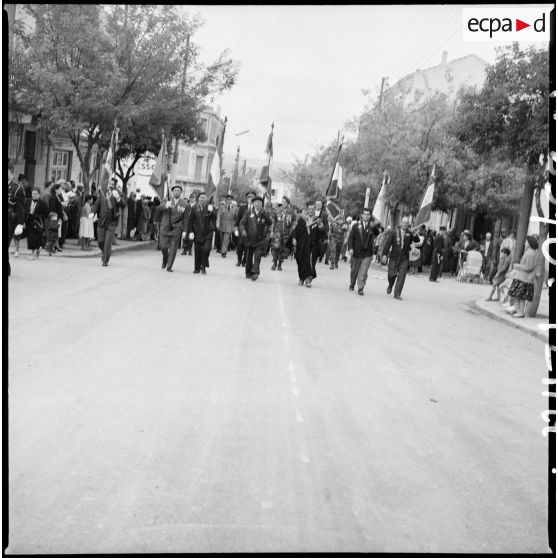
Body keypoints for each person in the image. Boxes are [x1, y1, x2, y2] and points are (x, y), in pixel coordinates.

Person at [381, 217, 421, 300]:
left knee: (402, 276)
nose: (405, 224)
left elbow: (417, 240)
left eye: (407, 223)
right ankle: (390, 284)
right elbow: (387, 244)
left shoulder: (409, 233)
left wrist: (414, 234)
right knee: (391, 274)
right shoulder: (394, 232)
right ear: (401, 222)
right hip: (394, 257)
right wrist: (384, 255)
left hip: (404, 258)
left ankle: (397, 293)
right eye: (404, 222)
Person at [89, 178, 126, 266]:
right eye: (110, 183)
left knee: (107, 242)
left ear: (115, 185)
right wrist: (92, 212)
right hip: (102, 221)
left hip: (112, 222)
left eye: (113, 184)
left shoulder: (119, 194)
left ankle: (105, 260)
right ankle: (106, 252)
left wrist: (118, 198)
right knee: (100, 241)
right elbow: (97, 204)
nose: (111, 185)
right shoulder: (102, 193)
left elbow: (123, 205)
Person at [505, 235, 540, 318]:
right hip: (523, 277)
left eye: (526, 242)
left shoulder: (531, 253)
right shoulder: (531, 252)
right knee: (519, 295)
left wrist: (517, 266)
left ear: (530, 243)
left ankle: (521, 312)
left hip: (525, 278)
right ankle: (519, 310)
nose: (525, 243)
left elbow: (528, 267)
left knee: (521, 296)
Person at [347, 207, 380, 295]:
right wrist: (350, 248)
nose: (366, 216)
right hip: (356, 252)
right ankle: (352, 283)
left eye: (368, 215)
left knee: (363, 271)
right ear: (362, 215)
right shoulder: (355, 226)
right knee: (354, 271)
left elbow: (377, 233)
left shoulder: (372, 226)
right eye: (364, 214)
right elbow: (351, 238)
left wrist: (375, 226)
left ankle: (361, 287)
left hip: (367, 253)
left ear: (370, 216)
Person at [239, 195, 273, 281]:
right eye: (256, 202)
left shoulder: (264, 213)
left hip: (260, 239)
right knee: (248, 257)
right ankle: (248, 272)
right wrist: (243, 230)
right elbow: (242, 223)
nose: (258, 204)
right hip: (249, 239)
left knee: (257, 256)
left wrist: (265, 215)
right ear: (253, 203)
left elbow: (269, 222)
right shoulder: (248, 213)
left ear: (262, 204)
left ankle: (254, 272)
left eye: (259, 203)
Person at [159, 185, 190, 272]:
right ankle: (165, 259)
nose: (177, 192)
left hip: (176, 228)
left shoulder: (185, 204)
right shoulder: (166, 200)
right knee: (163, 247)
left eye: (179, 191)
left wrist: (185, 231)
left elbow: (186, 218)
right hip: (165, 227)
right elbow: (159, 208)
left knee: (173, 248)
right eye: (175, 190)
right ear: (172, 192)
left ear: (181, 193)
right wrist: (165, 205)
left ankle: (169, 266)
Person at [187, 192, 217, 274]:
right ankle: (197, 268)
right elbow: (190, 220)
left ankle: (203, 266)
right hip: (198, 232)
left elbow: (215, 217)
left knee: (206, 249)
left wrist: (212, 211)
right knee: (197, 251)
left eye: (204, 197)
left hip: (208, 232)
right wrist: (191, 232)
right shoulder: (194, 208)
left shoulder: (210, 207)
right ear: (198, 198)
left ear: (206, 199)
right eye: (201, 197)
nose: (202, 199)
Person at [7, 163, 26, 274]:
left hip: (9, 222)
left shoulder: (16, 189)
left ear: (10, 171)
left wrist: (20, 224)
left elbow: (21, 208)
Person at [289, 207, 314, 287]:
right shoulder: (301, 221)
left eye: (312, 209)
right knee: (300, 261)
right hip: (300, 245)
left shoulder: (316, 220)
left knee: (308, 262)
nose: (310, 211)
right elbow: (295, 231)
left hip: (311, 245)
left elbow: (321, 232)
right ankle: (301, 278)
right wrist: (294, 238)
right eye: (309, 210)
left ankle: (307, 280)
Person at [25, 187, 49, 260]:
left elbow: (46, 215)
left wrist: (37, 216)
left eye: (35, 194)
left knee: (35, 238)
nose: (34, 195)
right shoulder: (28, 201)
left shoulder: (43, 203)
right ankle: (37, 249)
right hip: (29, 222)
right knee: (30, 239)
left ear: (39, 194)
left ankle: (33, 254)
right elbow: (25, 211)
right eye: (33, 193)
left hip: (38, 223)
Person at [234, 191, 255, 267]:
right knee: (240, 245)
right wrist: (236, 229)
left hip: (251, 232)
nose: (250, 199)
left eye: (252, 197)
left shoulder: (256, 208)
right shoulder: (242, 208)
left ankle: (244, 261)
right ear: (247, 199)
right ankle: (239, 260)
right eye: (249, 197)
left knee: (248, 247)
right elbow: (238, 219)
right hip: (242, 230)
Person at [270, 203, 290, 271]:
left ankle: (280, 265)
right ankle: (275, 263)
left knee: (283, 249)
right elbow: (272, 223)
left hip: (285, 234)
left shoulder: (288, 214)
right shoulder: (275, 214)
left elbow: (289, 223)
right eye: (279, 207)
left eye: (282, 207)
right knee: (275, 248)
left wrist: (286, 216)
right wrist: (272, 231)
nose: (281, 208)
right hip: (277, 234)